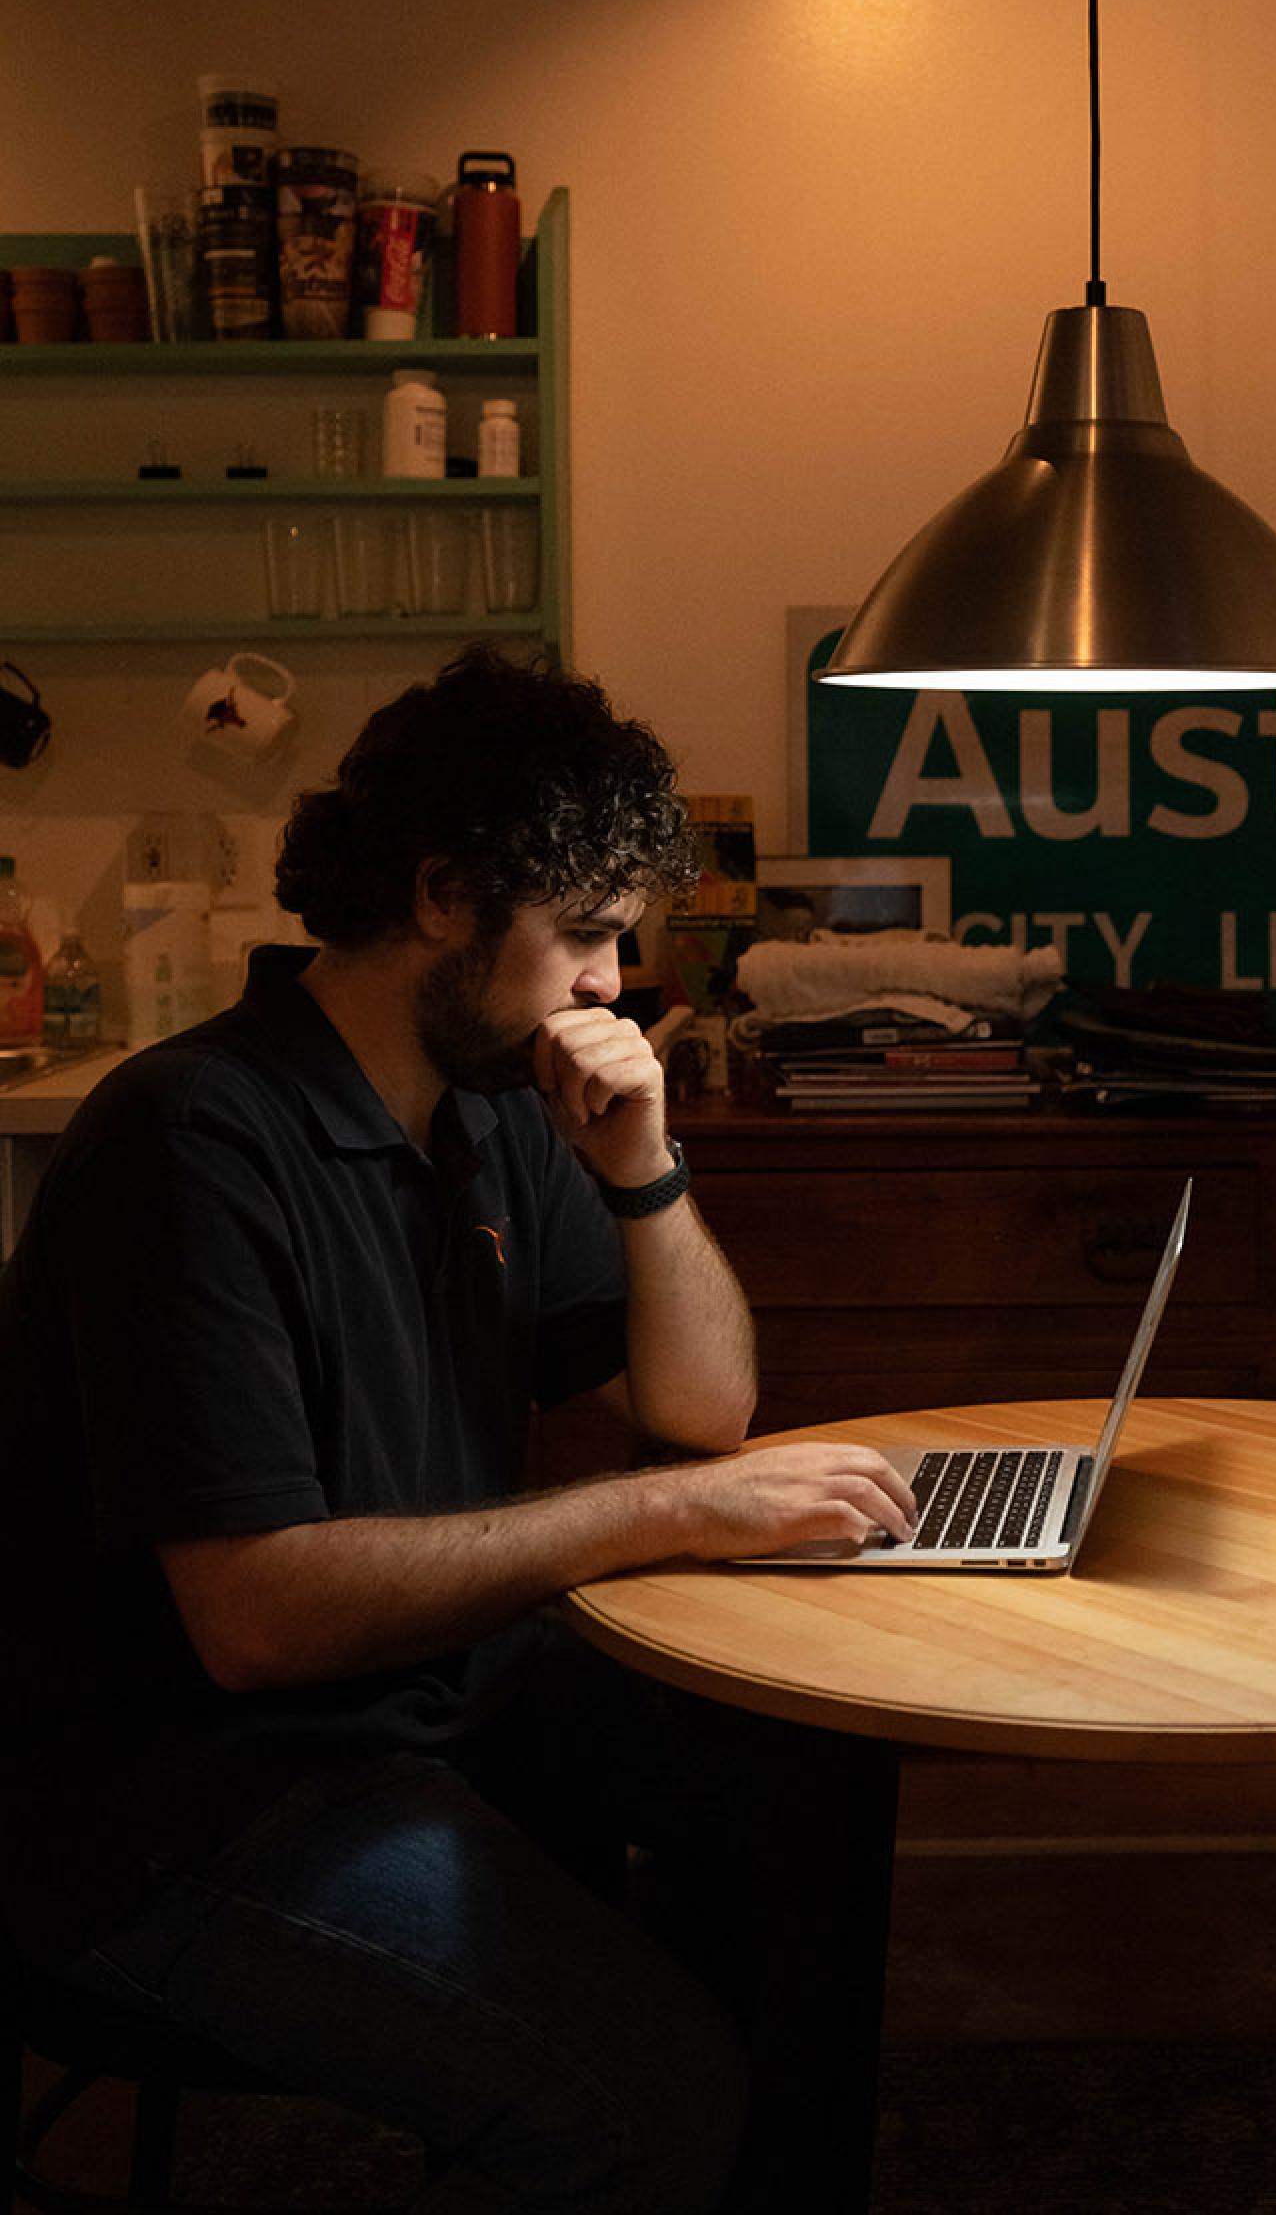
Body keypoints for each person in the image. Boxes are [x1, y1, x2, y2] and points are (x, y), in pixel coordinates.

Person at [0, 645, 919, 2214]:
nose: (610, 986)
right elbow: (257, 1618)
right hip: (170, 1805)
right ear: (442, 894)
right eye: (584, 937)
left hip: (411, 1704)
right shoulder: (192, 1139)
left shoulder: (487, 1105)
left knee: (803, 1775)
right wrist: (663, 1517)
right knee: (640, 2089)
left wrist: (645, 1173)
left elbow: (704, 1410)